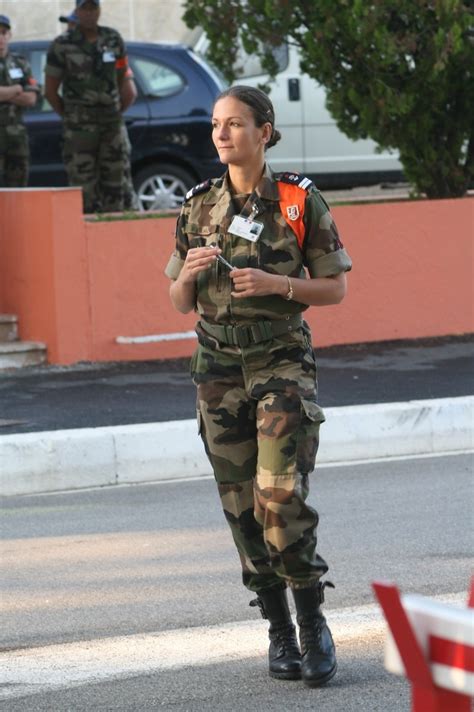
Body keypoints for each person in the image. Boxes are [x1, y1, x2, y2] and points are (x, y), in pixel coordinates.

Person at [165, 85, 352, 688]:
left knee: (278, 495)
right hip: (217, 369)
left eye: (236, 124)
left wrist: (277, 283)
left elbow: (335, 289)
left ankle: (313, 618)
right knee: (242, 507)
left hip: (280, 363)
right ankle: (277, 627)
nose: (222, 134)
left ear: (264, 132)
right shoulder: (197, 205)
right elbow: (174, 300)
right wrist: (188, 276)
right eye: (217, 125)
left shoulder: (299, 201)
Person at [45, 0, 137, 213]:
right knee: (83, 192)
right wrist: (72, 116)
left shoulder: (113, 39)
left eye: (93, 8)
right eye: (84, 8)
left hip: (111, 128)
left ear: (99, 10)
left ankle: (116, 239)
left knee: (117, 188)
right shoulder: (62, 45)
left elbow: (123, 79)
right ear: (77, 11)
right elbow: (50, 92)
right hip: (79, 132)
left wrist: (113, 111)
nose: (89, 13)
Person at [0, 14, 38, 187]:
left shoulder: (20, 63)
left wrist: (4, 94)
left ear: (9, 35)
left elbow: (31, 98)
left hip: (16, 138)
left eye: (3, 33)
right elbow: (22, 93)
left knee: (18, 190)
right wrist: (16, 89)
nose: (0, 37)